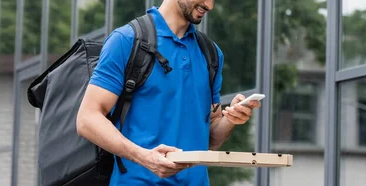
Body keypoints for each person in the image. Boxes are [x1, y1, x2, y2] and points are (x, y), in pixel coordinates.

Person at [75, 0, 260, 185]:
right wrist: (144, 157)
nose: (209, 6)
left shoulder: (211, 54)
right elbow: (87, 119)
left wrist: (231, 119)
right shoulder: (126, 40)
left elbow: (210, 138)